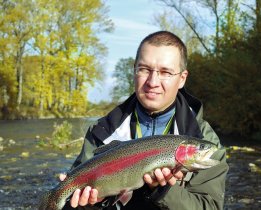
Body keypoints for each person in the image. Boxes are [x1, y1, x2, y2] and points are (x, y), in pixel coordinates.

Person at [61, 31, 229, 210]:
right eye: (144, 69)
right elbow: (72, 200)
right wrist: (87, 205)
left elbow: (208, 206)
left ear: (182, 79)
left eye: (165, 72)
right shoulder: (102, 132)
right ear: (134, 70)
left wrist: (164, 191)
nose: (153, 81)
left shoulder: (205, 139)